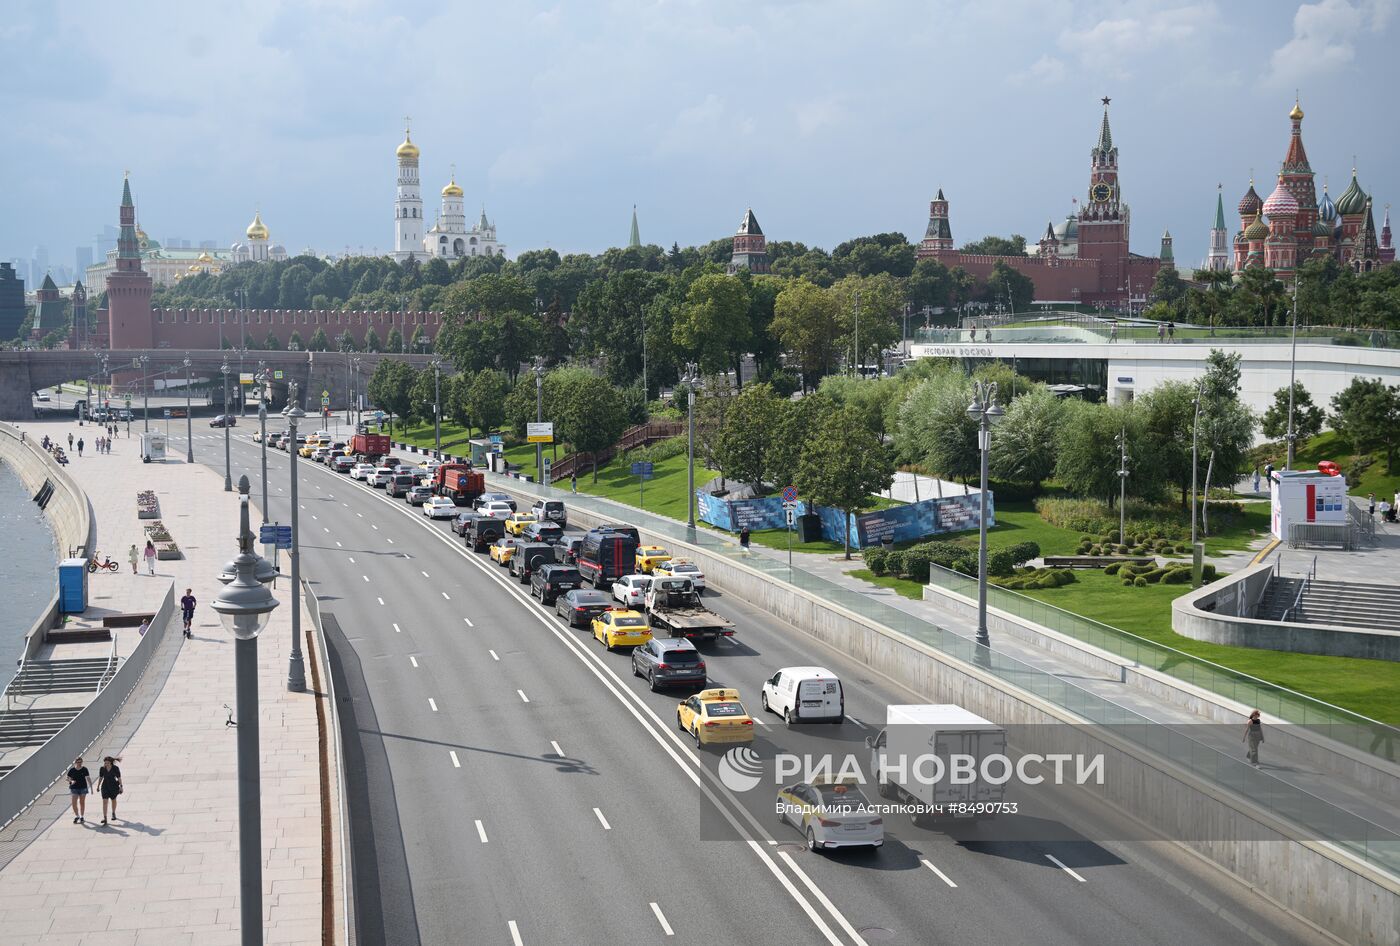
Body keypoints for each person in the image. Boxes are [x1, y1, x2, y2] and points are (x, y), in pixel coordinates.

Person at [95, 756, 123, 825]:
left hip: (114, 786)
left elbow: (119, 778)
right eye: (105, 763)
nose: (106, 764)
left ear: (110, 762)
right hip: (105, 786)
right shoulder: (102, 769)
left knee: (113, 800)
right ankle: (105, 818)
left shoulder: (115, 768)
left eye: (107, 763)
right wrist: (98, 786)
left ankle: (113, 813)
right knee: (105, 801)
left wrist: (121, 786)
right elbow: (101, 777)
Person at [67, 756, 91, 824]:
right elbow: (68, 778)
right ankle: (77, 815)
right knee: (74, 803)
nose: (79, 763)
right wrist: (71, 781)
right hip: (74, 788)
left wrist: (91, 787)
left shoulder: (84, 769)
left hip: (83, 788)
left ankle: (82, 816)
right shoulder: (72, 770)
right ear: (75, 762)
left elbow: (88, 778)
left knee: (82, 802)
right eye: (78, 762)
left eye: (80, 762)